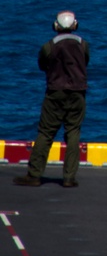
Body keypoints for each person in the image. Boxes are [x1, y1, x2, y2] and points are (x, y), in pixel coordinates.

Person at [15, 11, 90, 188]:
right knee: (73, 133)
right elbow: (85, 62)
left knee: (46, 133)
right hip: (78, 93)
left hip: (55, 93)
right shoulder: (83, 45)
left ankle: (34, 174)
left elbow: (42, 65)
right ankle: (69, 177)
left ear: (56, 26)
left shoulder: (48, 46)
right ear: (75, 26)